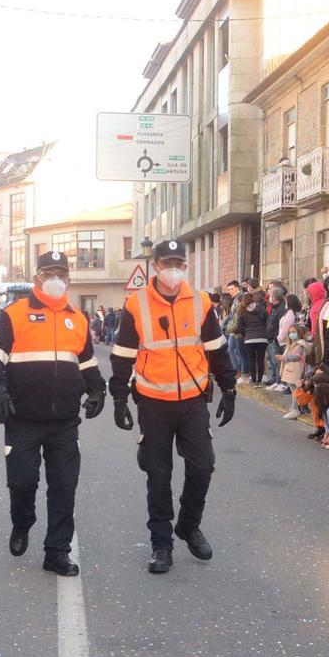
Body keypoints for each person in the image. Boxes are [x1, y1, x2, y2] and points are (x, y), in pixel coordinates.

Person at [109, 239, 236, 575]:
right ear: (155, 265)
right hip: (153, 402)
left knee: (203, 466)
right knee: (158, 473)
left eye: (180, 262)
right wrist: (119, 397)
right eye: (168, 262)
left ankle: (188, 524)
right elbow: (122, 355)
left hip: (193, 399)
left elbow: (217, 348)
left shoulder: (200, 301)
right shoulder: (136, 305)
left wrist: (229, 387)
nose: (174, 269)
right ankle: (161, 543)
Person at [0, 250, 105, 577]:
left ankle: (56, 552)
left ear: (69, 279)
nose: (55, 279)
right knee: (22, 483)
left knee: (64, 487)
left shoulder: (77, 318)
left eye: (61, 273)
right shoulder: (13, 314)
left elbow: (87, 362)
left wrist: (97, 389)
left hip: (64, 422)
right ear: (37, 278)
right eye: (49, 272)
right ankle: (22, 522)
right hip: (22, 420)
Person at [269, 293, 302, 392]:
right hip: (285, 340)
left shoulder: (290, 313)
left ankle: (283, 383)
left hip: (285, 340)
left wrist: (279, 337)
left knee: (283, 361)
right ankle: (282, 382)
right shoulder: (289, 312)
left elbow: (286, 327)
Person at [279, 324, 312, 418]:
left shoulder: (300, 344)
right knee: (293, 389)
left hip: (296, 369)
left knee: (295, 390)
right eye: (290, 332)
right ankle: (294, 408)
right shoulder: (291, 344)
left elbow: (298, 356)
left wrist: (285, 357)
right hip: (290, 369)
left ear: (299, 333)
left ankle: (295, 409)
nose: (291, 334)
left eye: (293, 332)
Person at [239, 291, 269, 386]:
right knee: (260, 359)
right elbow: (266, 320)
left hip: (249, 338)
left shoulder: (242, 311)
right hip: (262, 337)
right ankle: (259, 381)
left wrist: (246, 334)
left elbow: (240, 327)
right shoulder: (261, 307)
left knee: (251, 360)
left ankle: (253, 381)